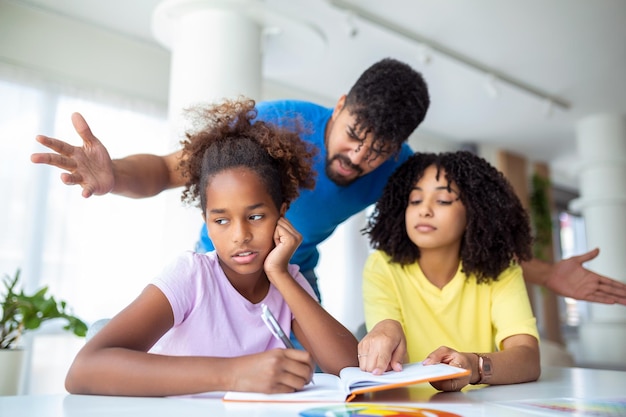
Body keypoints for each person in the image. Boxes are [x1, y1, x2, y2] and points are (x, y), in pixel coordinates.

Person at [31, 58, 626, 305]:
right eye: (353, 133)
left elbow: (449, 237)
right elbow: (166, 170)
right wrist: (112, 178)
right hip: (220, 265)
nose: (359, 156)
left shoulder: (399, 171)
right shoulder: (281, 121)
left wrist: (549, 273)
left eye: (379, 148)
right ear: (338, 106)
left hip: (296, 278)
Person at [64, 98, 359, 397]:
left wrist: (280, 275)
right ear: (206, 221)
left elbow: (349, 366)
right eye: (221, 221)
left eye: (256, 217)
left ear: (281, 214)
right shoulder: (192, 277)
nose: (240, 235)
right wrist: (233, 374)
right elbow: (82, 371)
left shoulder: (288, 281)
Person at [357, 151, 541, 392]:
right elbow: (385, 325)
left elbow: (528, 358)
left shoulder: (501, 270)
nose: (424, 210)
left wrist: (473, 366)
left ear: (475, 210)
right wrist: (383, 330)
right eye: (415, 200)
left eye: (442, 200)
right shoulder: (382, 265)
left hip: (478, 408)